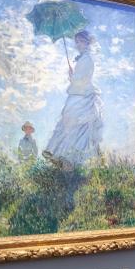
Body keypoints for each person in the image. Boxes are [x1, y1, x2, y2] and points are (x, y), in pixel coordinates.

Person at [43, 29, 103, 167]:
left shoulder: (87, 59)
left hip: (83, 96)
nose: (78, 44)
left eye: (81, 41)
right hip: (76, 94)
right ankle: (57, 153)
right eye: (77, 42)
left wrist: (72, 76)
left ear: (87, 42)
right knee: (67, 122)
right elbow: (77, 80)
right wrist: (73, 75)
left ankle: (69, 158)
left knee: (76, 126)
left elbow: (82, 80)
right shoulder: (82, 58)